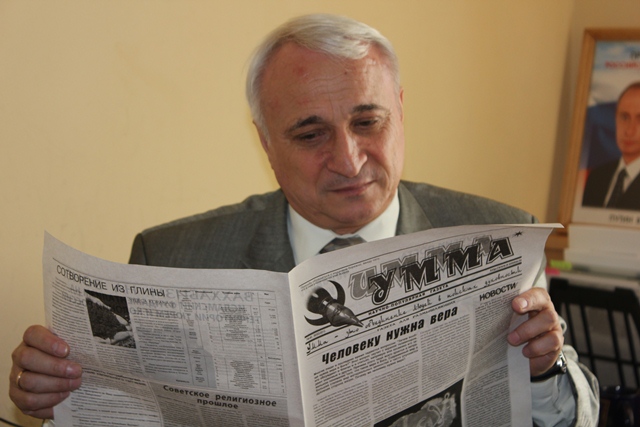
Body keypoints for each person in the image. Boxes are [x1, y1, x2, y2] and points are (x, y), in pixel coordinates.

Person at [10, 13, 598, 426]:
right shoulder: (170, 258)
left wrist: (544, 370)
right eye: (311, 134)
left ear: (400, 111)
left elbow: (575, 417)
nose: (349, 160)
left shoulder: (499, 235)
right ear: (266, 144)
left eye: (367, 122)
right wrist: (60, 397)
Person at [582, 81, 640, 210]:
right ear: (615, 119)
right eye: (624, 117)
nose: (629, 131)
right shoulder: (596, 177)